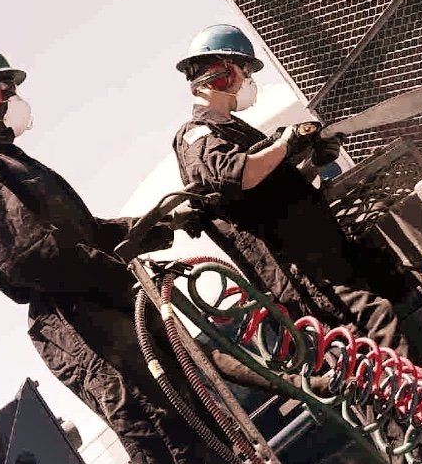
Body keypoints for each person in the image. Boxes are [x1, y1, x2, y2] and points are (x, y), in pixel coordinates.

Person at [0, 41, 285, 464]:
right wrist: (117, 273)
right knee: (167, 431)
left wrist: (153, 227)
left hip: (102, 310)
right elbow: (29, 257)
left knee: (192, 417)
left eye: (9, 86)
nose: (10, 97)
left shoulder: (11, 160)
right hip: (76, 324)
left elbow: (80, 236)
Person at [174, 24, 408, 354]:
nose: (249, 82)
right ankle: (417, 405)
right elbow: (235, 175)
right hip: (303, 274)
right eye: (245, 72)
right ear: (224, 75)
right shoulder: (197, 134)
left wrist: (315, 159)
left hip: (324, 259)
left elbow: (273, 192)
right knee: (373, 339)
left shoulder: (234, 131)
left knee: (379, 323)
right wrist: (287, 142)